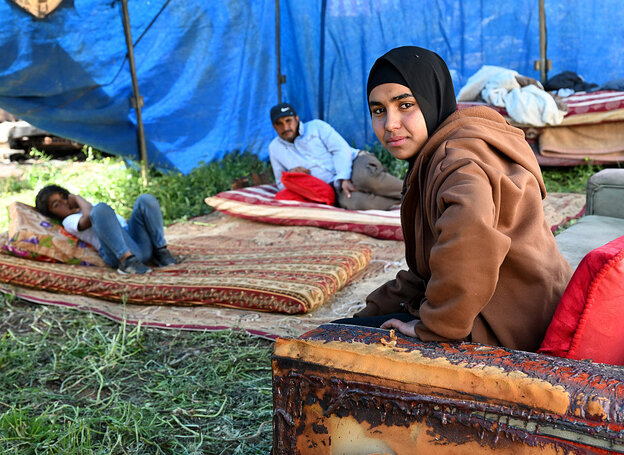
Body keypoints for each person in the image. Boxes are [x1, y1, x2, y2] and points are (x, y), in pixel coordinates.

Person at [333, 46, 572, 352]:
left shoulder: (458, 164)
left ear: (433, 100)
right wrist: (368, 313)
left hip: (509, 330)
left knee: (339, 351)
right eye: (379, 110)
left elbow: (472, 244)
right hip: (522, 312)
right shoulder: (440, 154)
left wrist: (435, 326)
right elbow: (426, 270)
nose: (390, 123)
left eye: (405, 105)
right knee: (340, 332)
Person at [268, 103, 403, 210]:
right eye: (279, 123)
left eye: (288, 121)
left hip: (354, 162)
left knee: (365, 179)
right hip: (332, 187)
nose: (285, 127)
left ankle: (415, 192)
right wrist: (292, 174)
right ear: (274, 126)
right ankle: (405, 200)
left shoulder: (316, 127)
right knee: (355, 203)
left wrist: (343, 178)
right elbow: (280, 183)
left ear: (296, 119)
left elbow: (340, 149)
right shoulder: (275, 148)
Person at [35, 185, 177, 274]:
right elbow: (90, 216)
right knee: (99, 210)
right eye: (57, 205)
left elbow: (120, 225)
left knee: (145, 200)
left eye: (64, 198)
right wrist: (78, 198)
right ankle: (127, 262)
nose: (65, 203)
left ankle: (161, 251)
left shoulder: (91, 206)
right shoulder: (69, 221)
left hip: (139, 246)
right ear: (53, 214)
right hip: (115, 253)